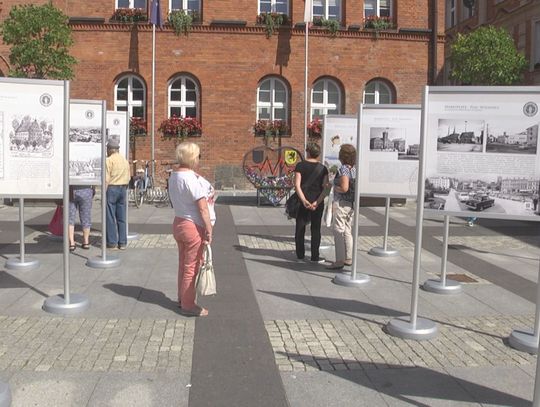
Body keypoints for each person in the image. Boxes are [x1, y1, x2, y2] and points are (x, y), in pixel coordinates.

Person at [169, 142, 214, 316]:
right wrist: (209, 228)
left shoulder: (174, 175)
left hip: (179, 222)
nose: (198, 159)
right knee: (192, 267)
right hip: (193, 226)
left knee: (183, 264)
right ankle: (188, 305)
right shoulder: (191, 179)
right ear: (192, 157)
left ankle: (182, 298)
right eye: (198, 155)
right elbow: (202, 208)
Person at [294, 142, 329, 263]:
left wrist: (304, 200)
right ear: (318, 154)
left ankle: (300, 256)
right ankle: (315, 256)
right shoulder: (323, 168)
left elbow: (297, 185)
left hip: (303, 201)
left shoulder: (300, 166)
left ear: (308, 151)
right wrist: (317, 202)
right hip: (317, 202)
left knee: (300, 227)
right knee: (316, 229)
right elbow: (326, 188)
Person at [326, 144, 356, 270]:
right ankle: (349, 257)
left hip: (342, 203)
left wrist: (333, 186)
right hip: (350, 204)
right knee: (348, 230)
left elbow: (344, 187)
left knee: (338, 230)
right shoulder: (354, 169)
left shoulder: (343, 169)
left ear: (343, 155)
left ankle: (339, 260)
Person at [105, 139, 130, 250]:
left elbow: (106, 178)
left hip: (112, 188)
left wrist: (104, 193)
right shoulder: (124, 160)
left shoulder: (109, 160)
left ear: (110, 149)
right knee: (121, 217)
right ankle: (123, 242)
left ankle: (112, 243)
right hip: (123, 188)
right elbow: (129, 176)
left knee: (110, 216)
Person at [68, 185, 94, 251]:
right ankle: (86, 242)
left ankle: (72, 243)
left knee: (70, 218)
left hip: (70, 190)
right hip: (86, 190)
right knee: (86, 217)